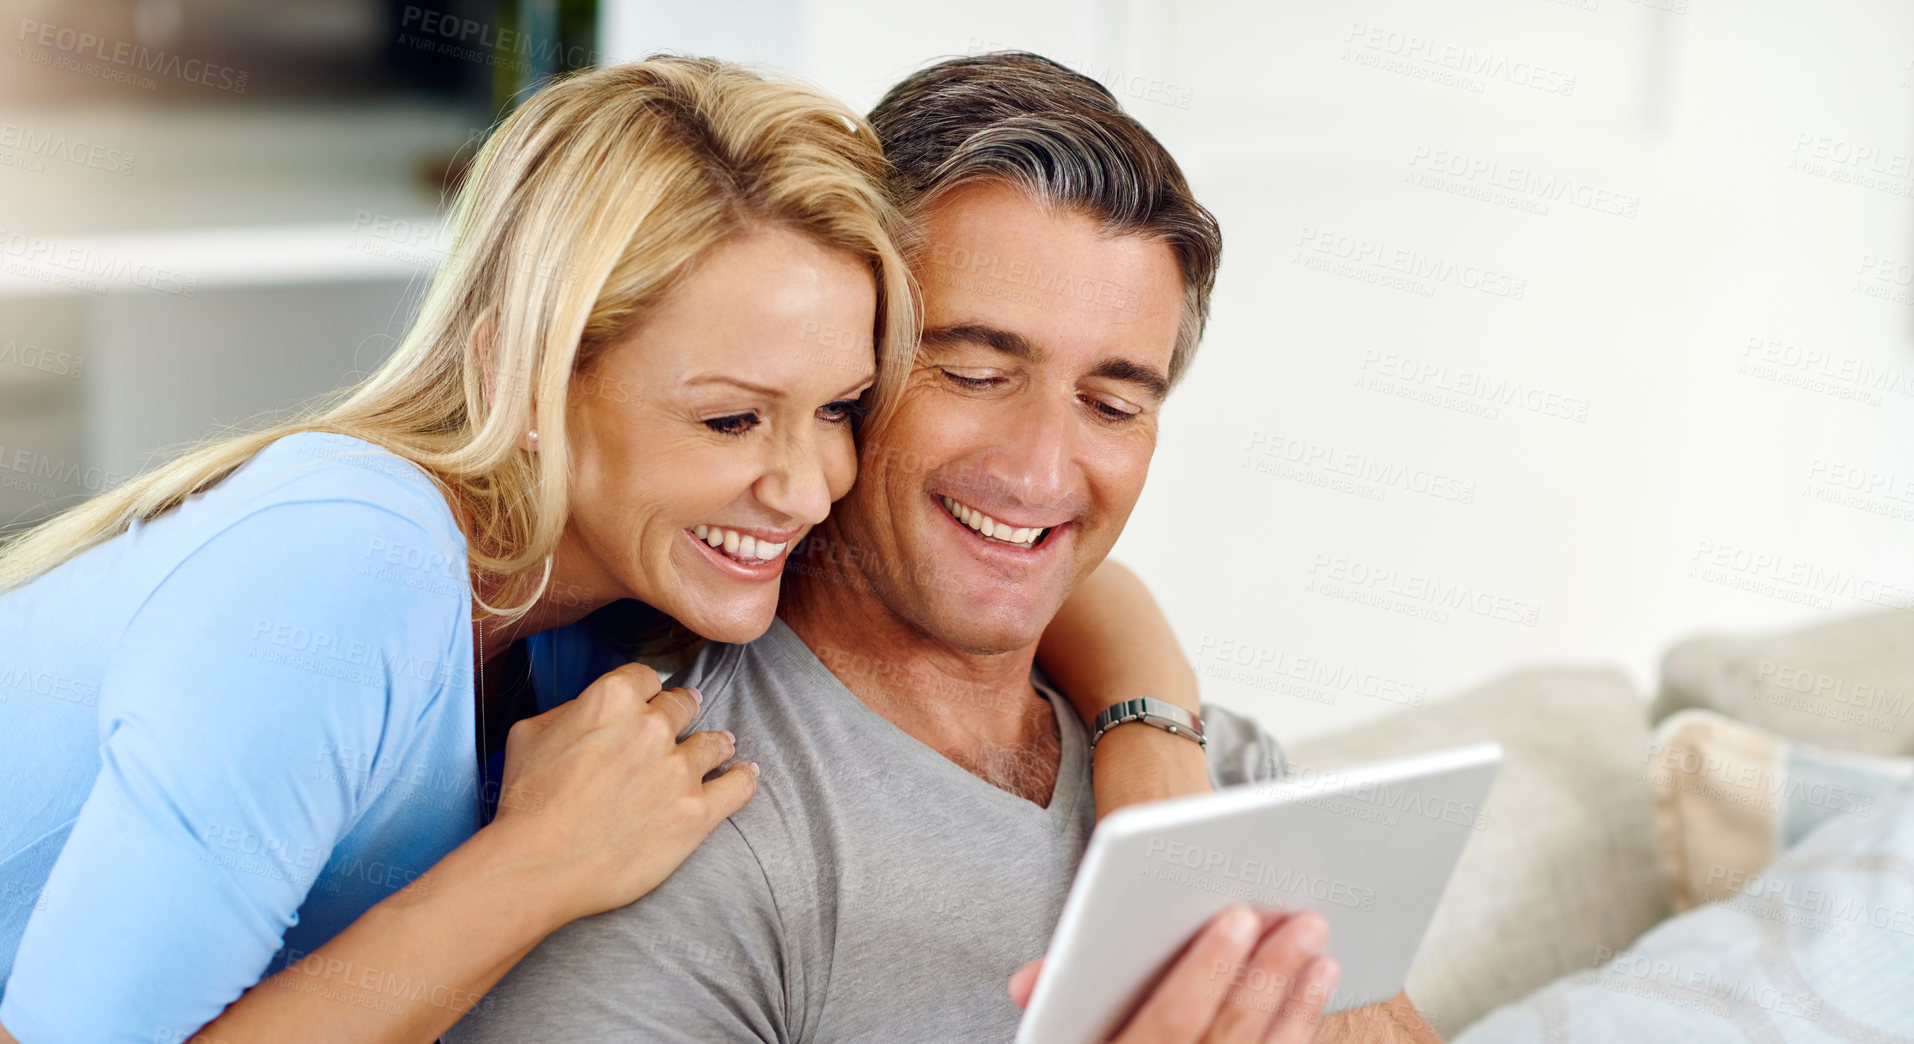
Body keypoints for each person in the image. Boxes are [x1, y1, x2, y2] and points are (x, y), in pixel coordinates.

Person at [0, 57, 1204, 1044]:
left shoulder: (619, 584)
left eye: (839, 408)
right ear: (516, 378)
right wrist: (537, 865)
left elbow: (1045, 549)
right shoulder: (343, 566)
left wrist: (1154, 753)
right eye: (730, 417)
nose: (807, 485)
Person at [448, 52, 1391, 1043]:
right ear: (847, 366)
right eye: (976, 372)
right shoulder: (669, 828)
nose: (1040, 472)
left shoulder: (1212, 775)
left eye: (1112, 403)